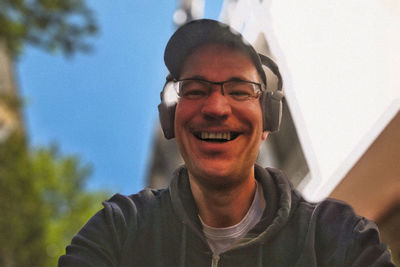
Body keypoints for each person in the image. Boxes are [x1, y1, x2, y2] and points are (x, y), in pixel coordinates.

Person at [59, 19, 394, 266]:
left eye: (239, 91)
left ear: (268, 120)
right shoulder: (121, 227)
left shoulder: (338, 237)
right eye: (196, 90)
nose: (217, 108)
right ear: (170, 118)